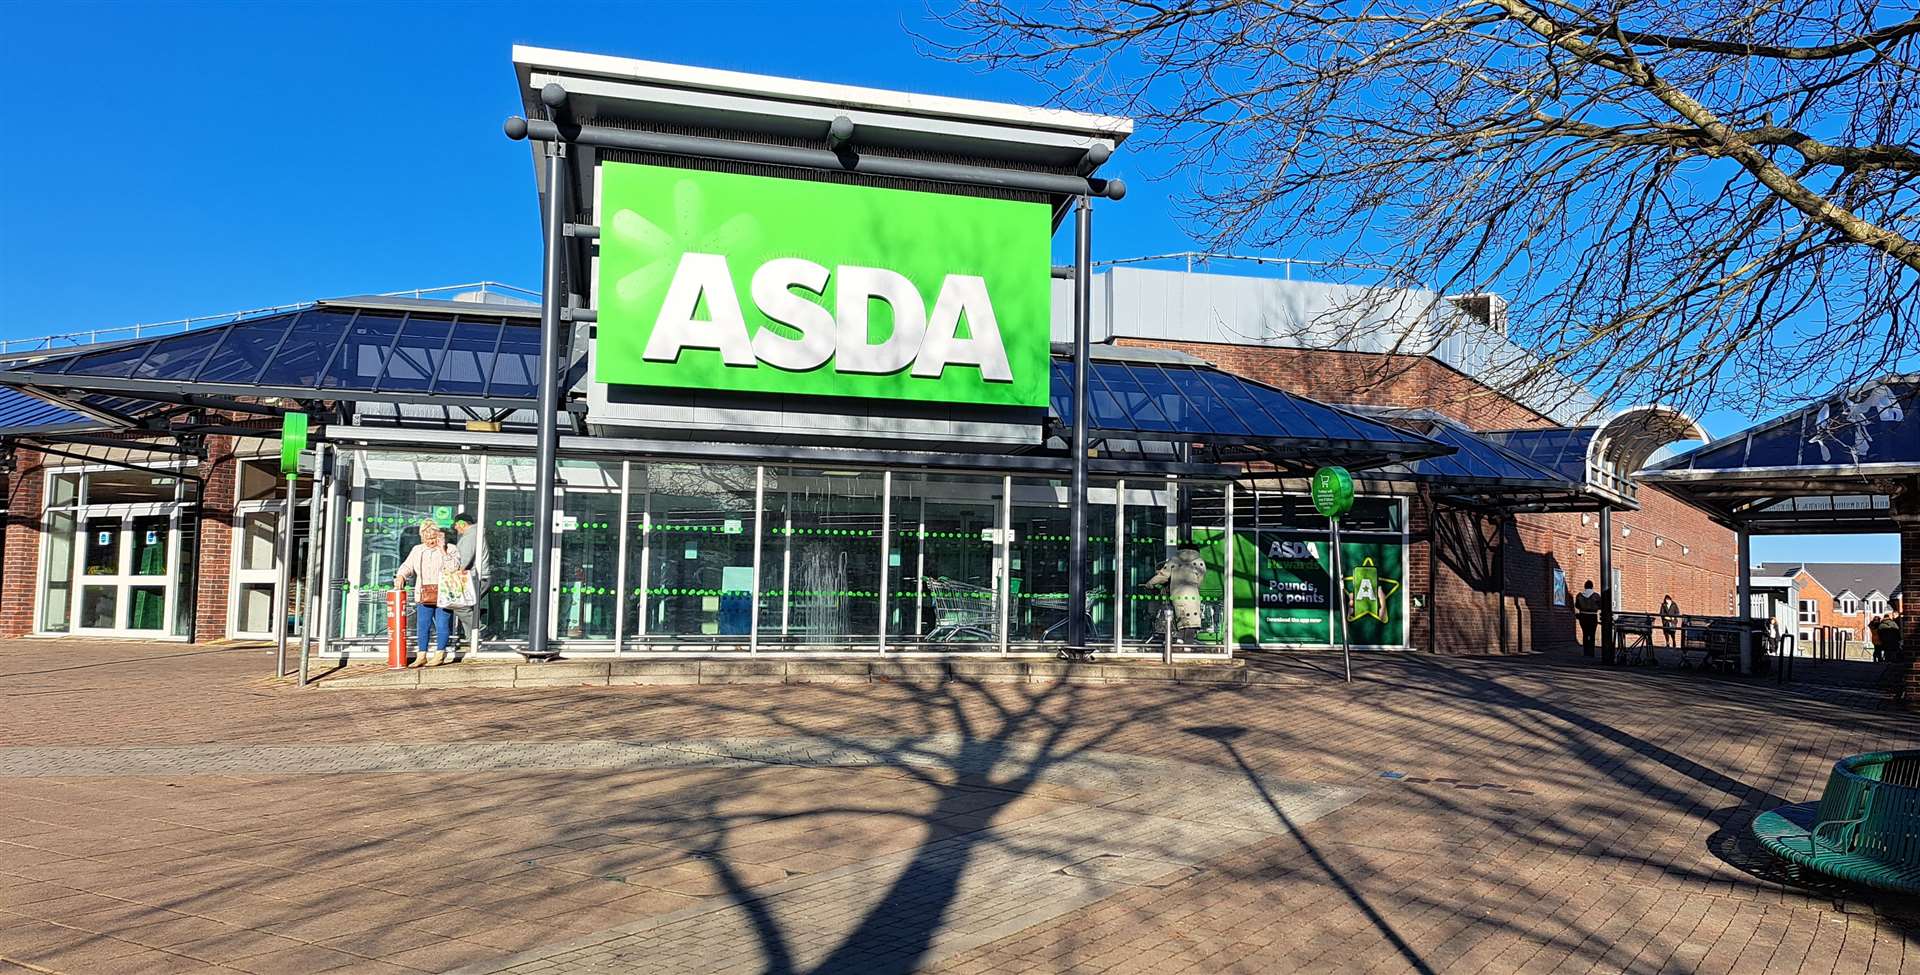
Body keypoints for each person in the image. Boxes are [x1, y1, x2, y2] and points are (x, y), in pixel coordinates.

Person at [394, 520, 459, 667]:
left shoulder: (451, 548)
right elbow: (407, 565)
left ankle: (439, 654)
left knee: (442, 623)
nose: (430, 541)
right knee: (423, 624)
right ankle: (421, 655)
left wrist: (442, 549)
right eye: (427, 538)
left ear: (439, 535)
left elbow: (454, 567)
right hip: (424, 592)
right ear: (422, 537)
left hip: (444, 592)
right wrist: (401, 575)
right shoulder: (418, 550)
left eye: (433, 538)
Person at [1143, 546, 1209, 644]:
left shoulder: (1174, 560)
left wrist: (1150, 583)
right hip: (1193, 594)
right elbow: (1200, 578)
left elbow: (1163, 576)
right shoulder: (1200, 562)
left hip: (1178, 594)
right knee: (1192, 621)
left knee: (1181, 619)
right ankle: (1188, 645)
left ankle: (1180, 641)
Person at [450, 511, 490, 653]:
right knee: (468, 607)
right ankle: (472, 639)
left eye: (456, 525)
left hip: (474, 577)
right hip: (478, 576)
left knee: (459, 604)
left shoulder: (470, 536)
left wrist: (452, 574)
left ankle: (480, 630)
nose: (455, 528)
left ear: (462, 524)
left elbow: (465, 559)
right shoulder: (476, 534)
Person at [1573, 579, 1603, 658]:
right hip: (1592, 616)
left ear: (1585, 586)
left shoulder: (1579, 595)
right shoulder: (1596, 595)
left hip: (1583, 616)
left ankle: (1585, 651)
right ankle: (1591, 652)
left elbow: (1577, 605)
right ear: (1592, 586)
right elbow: (1601, 606)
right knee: (1592, 634)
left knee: (1585, 634)